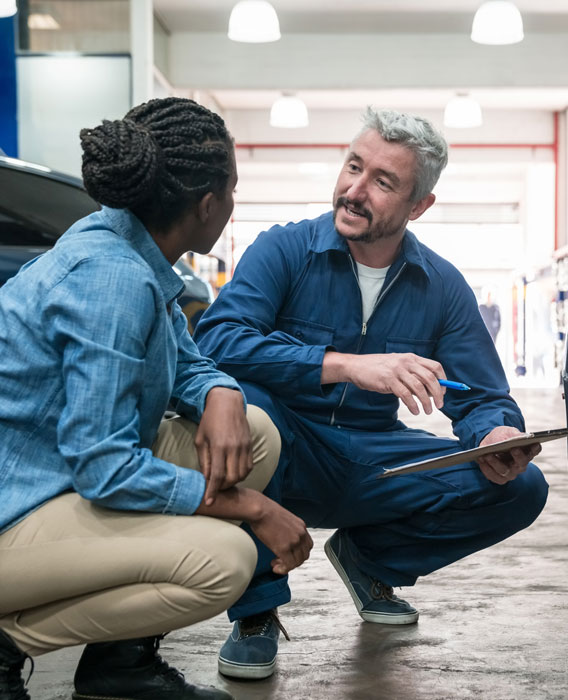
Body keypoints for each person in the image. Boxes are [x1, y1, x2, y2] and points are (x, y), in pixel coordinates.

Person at [194, 106, 548, 680]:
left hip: (372, 459)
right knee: (250, 410)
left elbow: (482, 395)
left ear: (418, 206)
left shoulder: (442, 286)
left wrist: (496, 433)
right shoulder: (283, 251)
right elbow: (218, 342)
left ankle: (367, 558)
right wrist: (349, 367)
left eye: (383, 182)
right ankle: (256, 613)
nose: (355, 191)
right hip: (287, 446)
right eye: (353, 167)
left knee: (522, 487)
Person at [0, 97, 312, 700]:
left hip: (51, 476)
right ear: (206, 206)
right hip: (16, 509)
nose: (232, 203)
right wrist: (252, 508)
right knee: (222, 560)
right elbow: (105, 468)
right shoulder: (113, 279)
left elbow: (181, 355)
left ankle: (120, 666)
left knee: (254, 431)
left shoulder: (124, 242)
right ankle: (5, 645)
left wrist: (220, 389)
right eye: (233, 190)